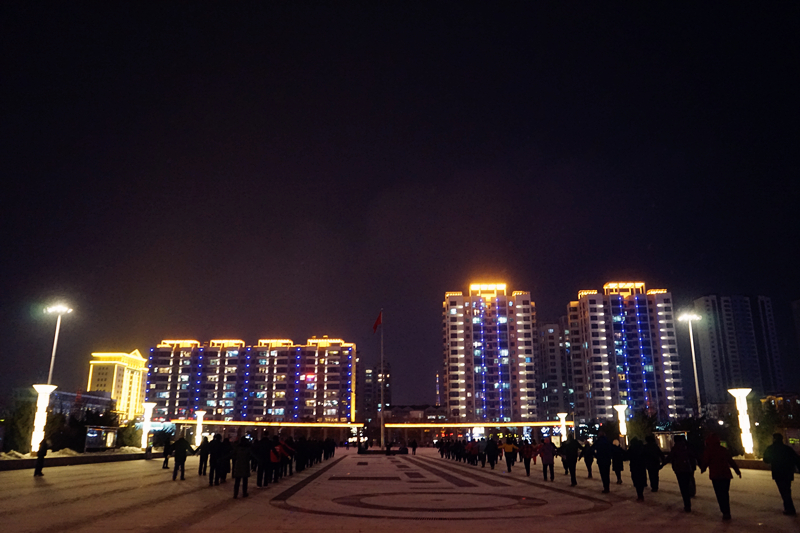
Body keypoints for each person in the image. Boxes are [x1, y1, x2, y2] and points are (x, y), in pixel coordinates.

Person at [701, 433, 741, 520]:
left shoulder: (708, 451)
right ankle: (727, 511)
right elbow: (731, 461)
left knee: (719, 494)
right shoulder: (723, 450)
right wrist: (737, 471)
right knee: (725, 493)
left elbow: (706, 461)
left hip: (715, 475)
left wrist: (703, 469)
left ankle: (724, 511)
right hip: (726, 475)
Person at [762, 433, 800, 516]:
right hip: (788, 472)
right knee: (787, 490)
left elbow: (766, 459)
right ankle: (789, 508)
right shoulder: (787, 449)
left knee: (783, 491)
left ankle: (789, 508)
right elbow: (796, 459)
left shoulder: (771, 449)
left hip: (778, 473)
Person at [662, 434, 697, 512]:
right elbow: (694, 456)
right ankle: (689, 497)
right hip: (687, 469)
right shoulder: (686, 447)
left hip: (679, 470)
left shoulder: (675, 448)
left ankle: (687, 504)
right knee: (688, 483)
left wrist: (661, 465)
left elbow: (669, 457)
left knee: (683, 486)